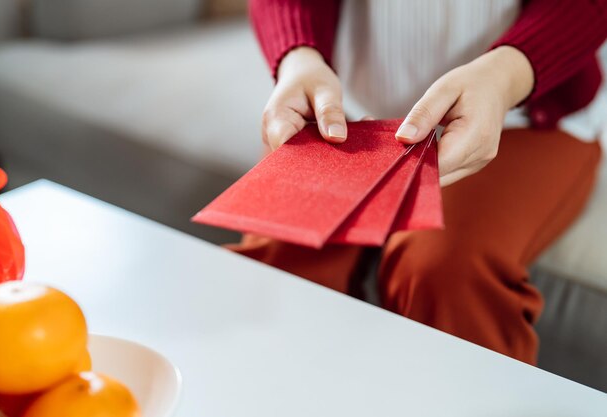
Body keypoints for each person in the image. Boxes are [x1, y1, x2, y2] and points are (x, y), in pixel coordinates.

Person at [227, 0, 607, 364]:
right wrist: (298, 57)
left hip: (525, 115)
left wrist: (504, 77)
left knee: (445, 274)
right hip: (348, 111)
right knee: (277, 274)